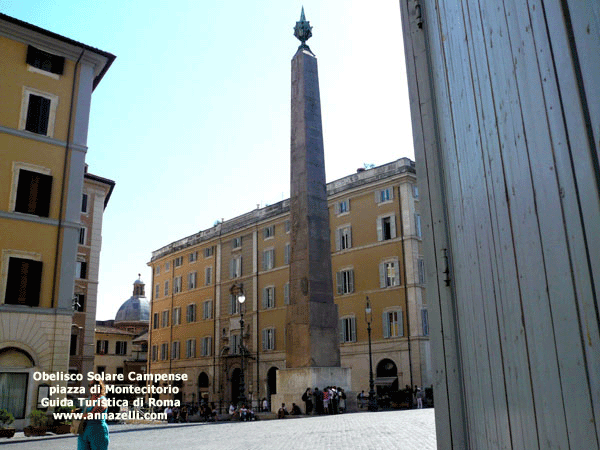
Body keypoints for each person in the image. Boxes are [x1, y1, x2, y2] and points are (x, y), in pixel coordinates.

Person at [78, 378, 109, 450]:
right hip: (84, 431)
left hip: (98, 432)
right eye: (89, 385)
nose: (90, 387)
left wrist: (79, 415)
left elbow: (92, 415)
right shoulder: (89, 399)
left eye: (92, 385)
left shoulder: (102, 400)